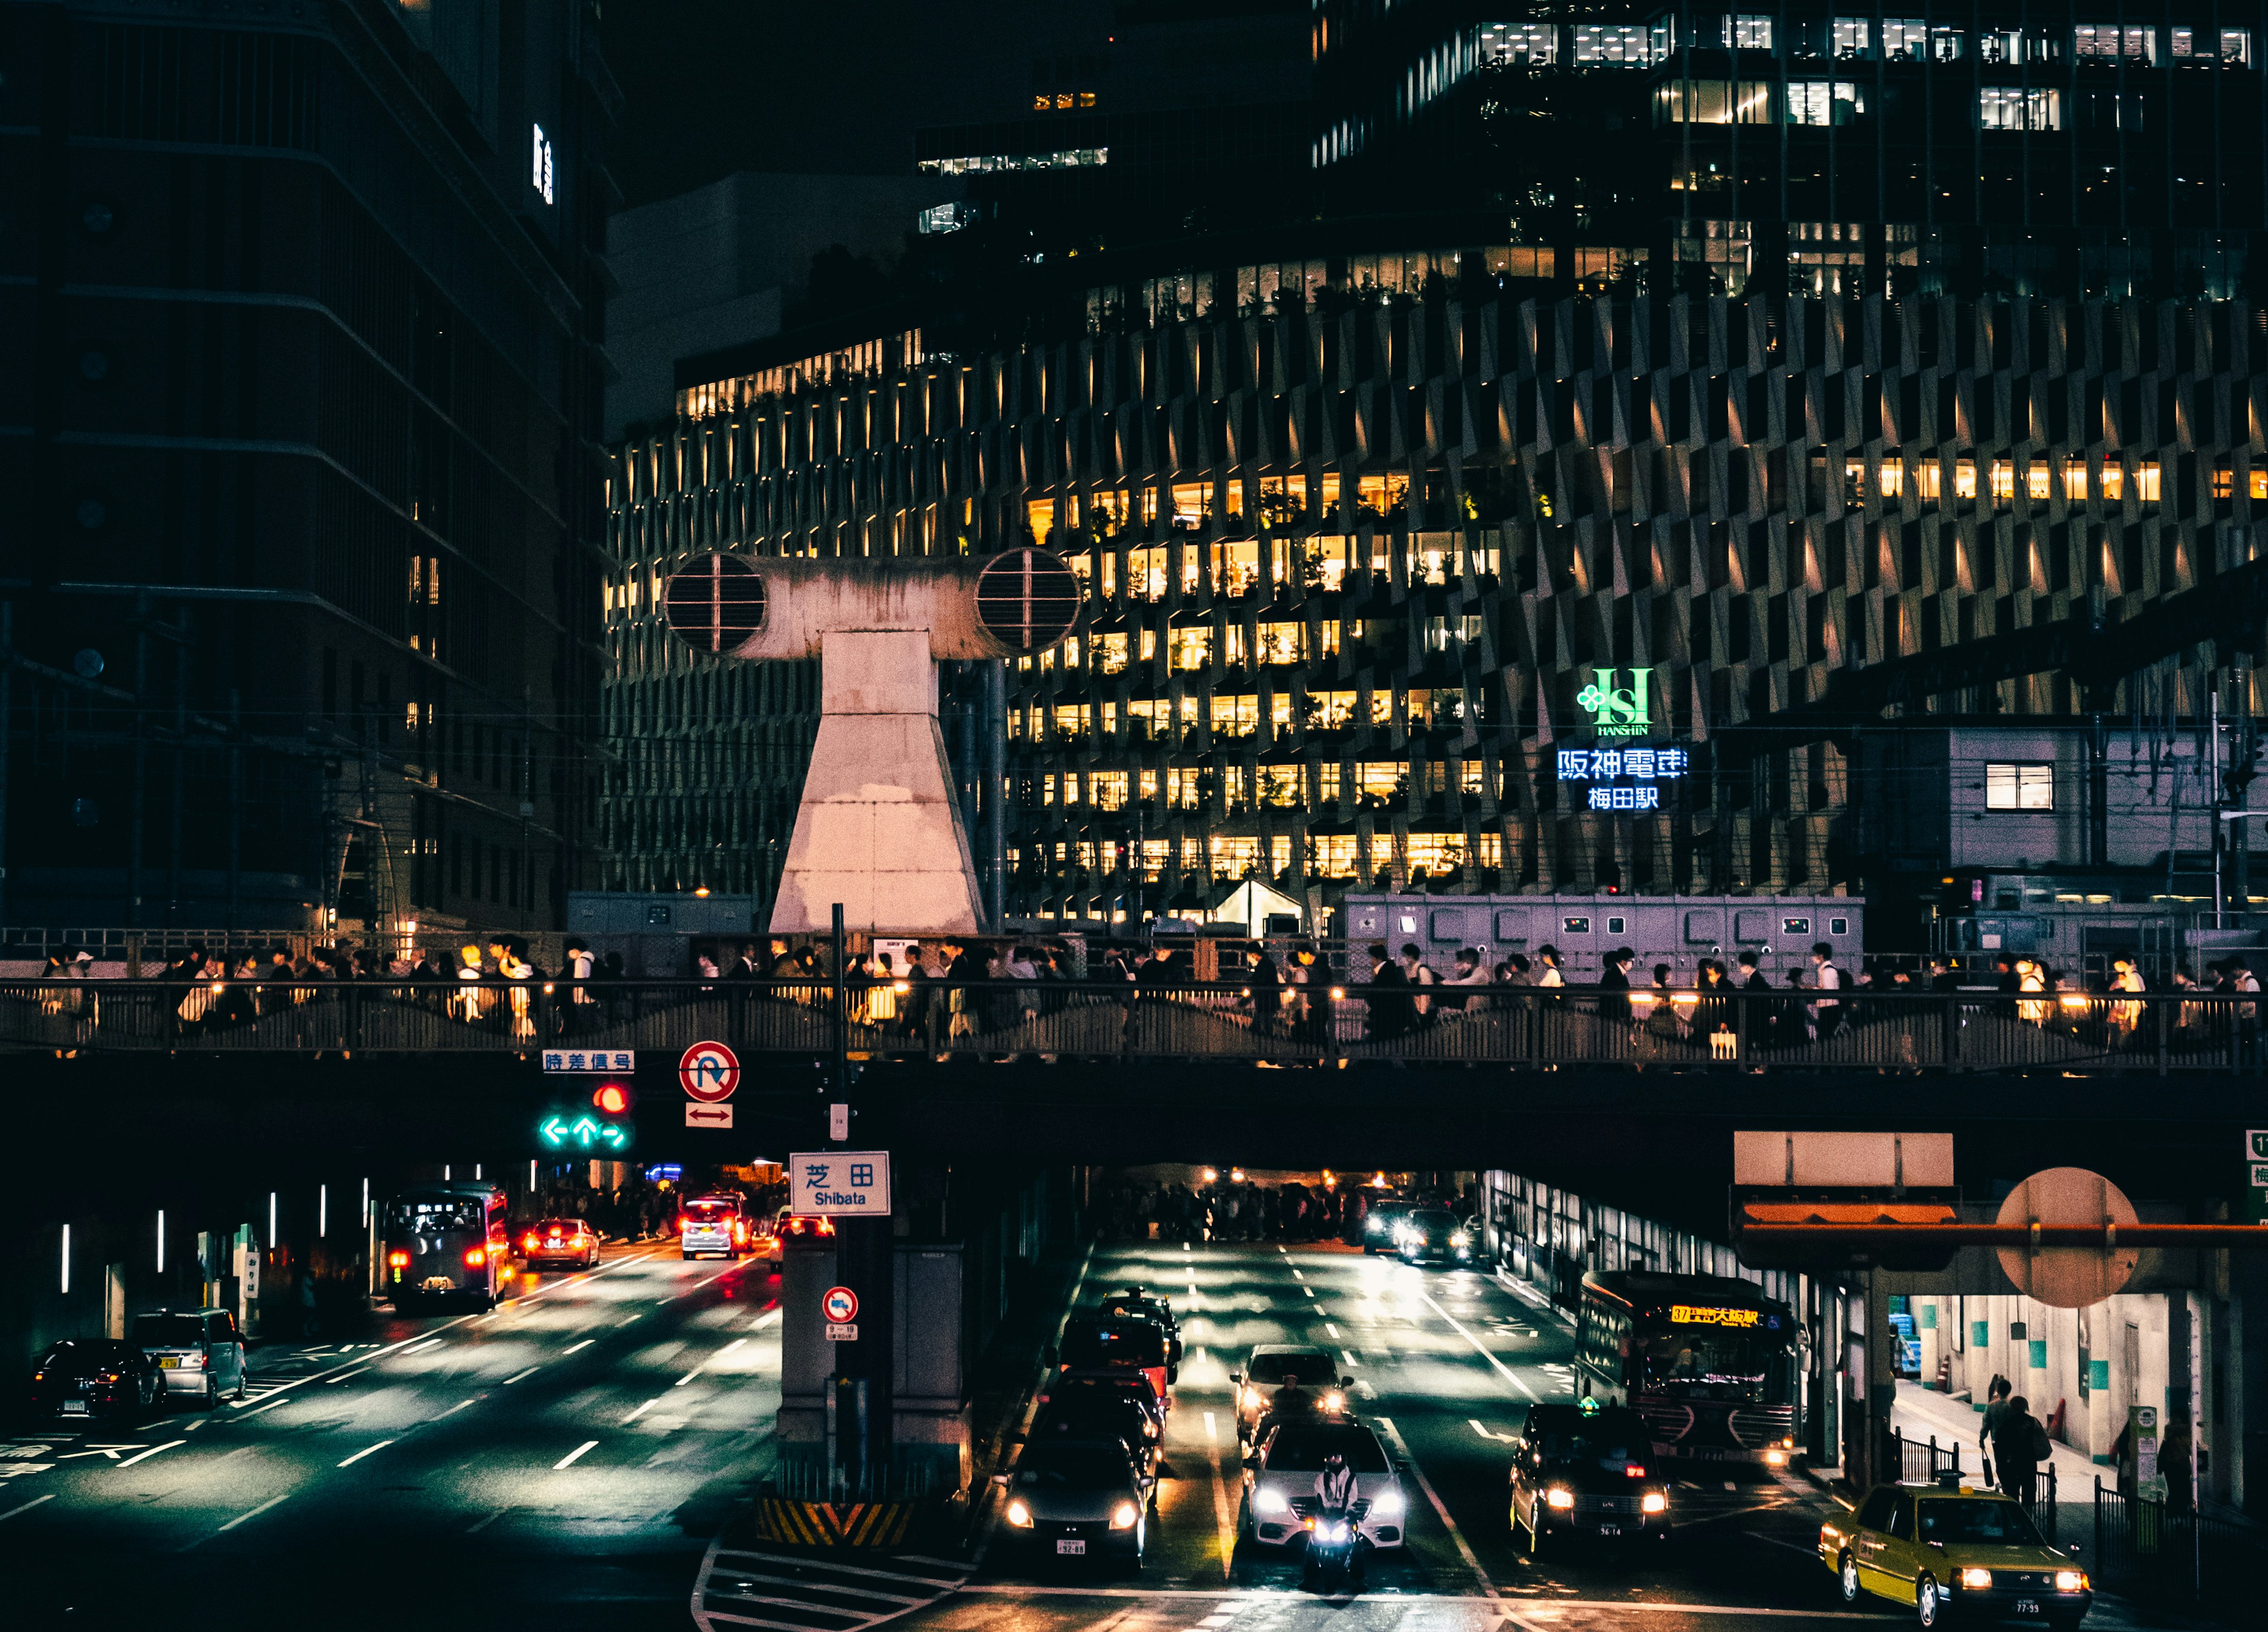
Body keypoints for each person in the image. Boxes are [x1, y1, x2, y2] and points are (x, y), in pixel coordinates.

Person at [1991, 1394, 2051, 1504]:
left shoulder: (2006, 1425)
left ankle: (2014, 1517)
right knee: (2029, 1493)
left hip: (2011, 1464)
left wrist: (2001, 1465)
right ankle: (2027, 1516)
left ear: (2012, 1407)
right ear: (2025, 1407)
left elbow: (2000, 1446)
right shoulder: (2033, 1422)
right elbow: (2041, 1440)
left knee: (2011, 1496)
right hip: (2029, 1463)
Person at [1810, 942, 1844, 1040]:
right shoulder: (1827, 970)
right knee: (1826, 1036)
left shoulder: (1827, 971)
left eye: (1814, 954)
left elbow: (1827, 991)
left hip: (1829, 1008)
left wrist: (1812, 989)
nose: (1813, 957)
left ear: (1821, 956)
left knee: (1825, 1037)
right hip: (1829, 1008)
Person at [1315, 1447, 1359, 1515]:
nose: (1334, 1461)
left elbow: (1353, 1497)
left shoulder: (1350, 1478)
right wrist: (1329, 1506)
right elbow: (1319, 1494)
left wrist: (1341, 1506)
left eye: (1337, 1458)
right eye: (1331, 1458)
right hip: (1327, 1512)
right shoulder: (1322, 1478)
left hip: (1346, 1512)